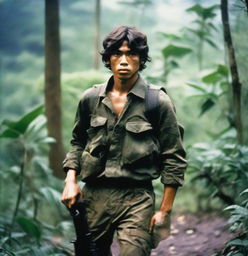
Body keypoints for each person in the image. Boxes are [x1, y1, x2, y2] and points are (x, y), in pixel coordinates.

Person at [61, 25, 187, 256]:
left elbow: (174, 157)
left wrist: (165, 211)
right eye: (117, 53)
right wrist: (71, 180)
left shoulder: (156, 102)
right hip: (94, 196)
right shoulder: (90, 99)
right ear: (108, 59)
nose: (124, 61)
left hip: (137, 198)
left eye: (132, 54)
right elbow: (77, 142)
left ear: (142, 59)